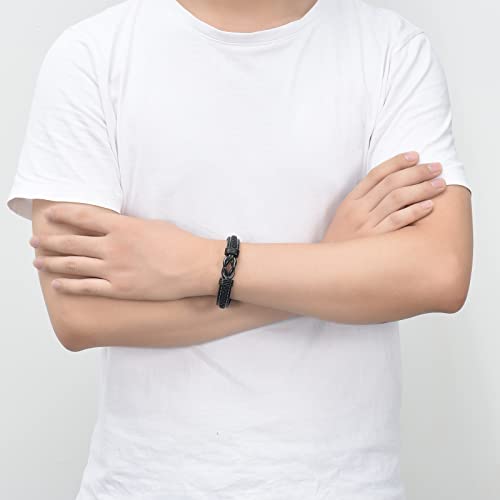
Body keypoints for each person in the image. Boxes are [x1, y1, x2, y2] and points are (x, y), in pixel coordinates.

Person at [6, 0, 473, 498]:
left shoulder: (393, 50)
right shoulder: (90, 54)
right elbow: (80, 316)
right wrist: (329, 260)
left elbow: (438, 272)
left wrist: (197, 263)